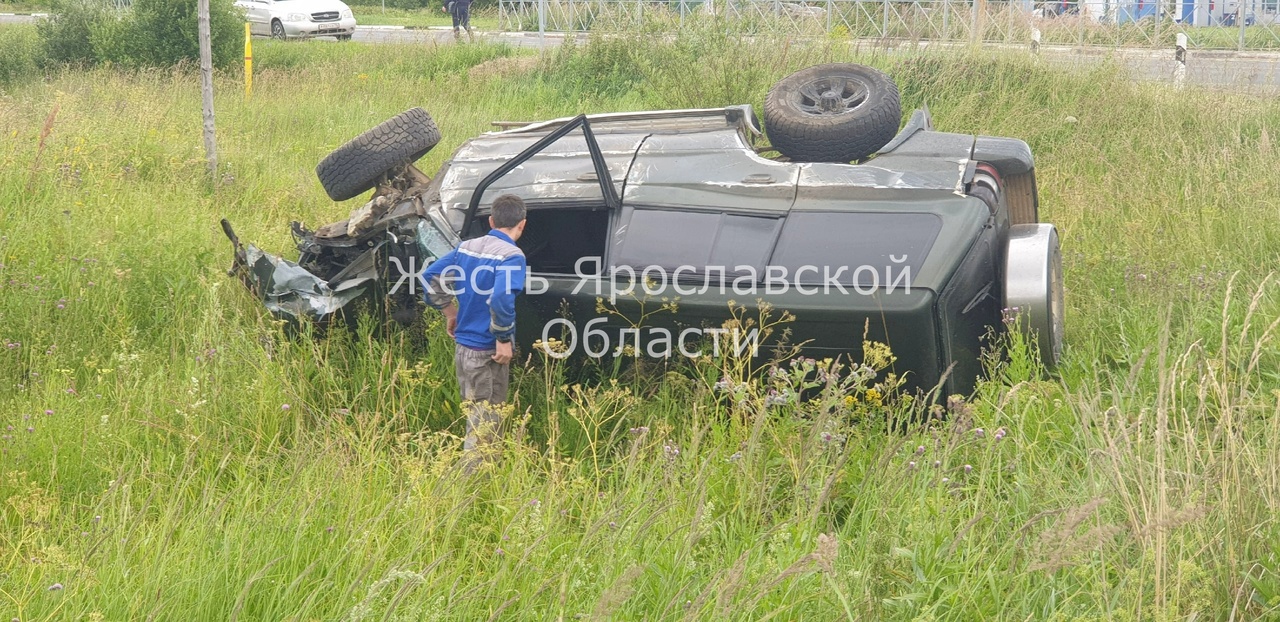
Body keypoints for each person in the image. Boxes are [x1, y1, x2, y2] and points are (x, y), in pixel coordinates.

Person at [420, 194, 527, 472]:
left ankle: (482, 479)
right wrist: (503, 339)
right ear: (522, 225)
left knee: (476, 417)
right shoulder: (512, 256)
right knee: (484, 426)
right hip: (486, 352)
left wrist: (449, 312)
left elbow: (430, 277)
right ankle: (468, 491)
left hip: (464, 350)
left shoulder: (466, 247)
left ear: (491, 221)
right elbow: (502, 297)